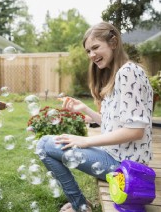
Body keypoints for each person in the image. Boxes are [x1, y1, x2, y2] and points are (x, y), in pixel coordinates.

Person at [36, 21, 153, 212]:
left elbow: (135, 131)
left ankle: (80, 206)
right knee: (46, 144)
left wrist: (85, 141)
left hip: (126, 168)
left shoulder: (128, 73)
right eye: (88, 51)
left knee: (43, 145)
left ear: (114, 42)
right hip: (115, 157)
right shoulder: (119, 74)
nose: (92, 55)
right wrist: (86, 110)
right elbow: (118, 124)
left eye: (96, 47)